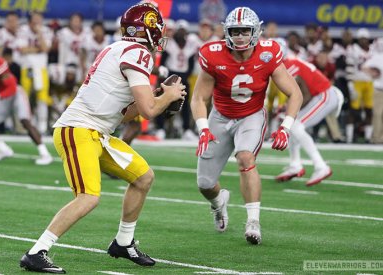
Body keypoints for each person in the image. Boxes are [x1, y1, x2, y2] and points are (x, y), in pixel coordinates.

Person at [19, 4, 185, 273]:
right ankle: (37, 251)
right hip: (79, 130)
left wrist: (157, 98)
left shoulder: (116, 48)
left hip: (97, 132)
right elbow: (148, 111)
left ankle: (123, 242)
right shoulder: (139, 54)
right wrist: (168, 96)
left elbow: (124, 114)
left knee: (143, 177)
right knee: (88, 197)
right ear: (149, 29)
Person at [190, 7, 303, 245]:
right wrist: (203, 128)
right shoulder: (213, 54)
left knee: (245, 158)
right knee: (205, 184)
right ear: (227, 32)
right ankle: (219, 202)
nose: (240, 36)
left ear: (256, 31)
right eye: (235, 31)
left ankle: (253, 221)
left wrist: (286, 127)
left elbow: (295, 93)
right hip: (219, 117)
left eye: (245, 31)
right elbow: (199, 98)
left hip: (251, 116)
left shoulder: (268, 53)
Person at [274, 42, 343, 186]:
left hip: (324, 94)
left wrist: (289, 109)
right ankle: (295, 164)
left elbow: (303, 94)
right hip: (320, 95)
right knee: (292, 124)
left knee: (295, 125)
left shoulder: (288, 65)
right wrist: (288, 108)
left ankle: (321, 166)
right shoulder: (289, 63)